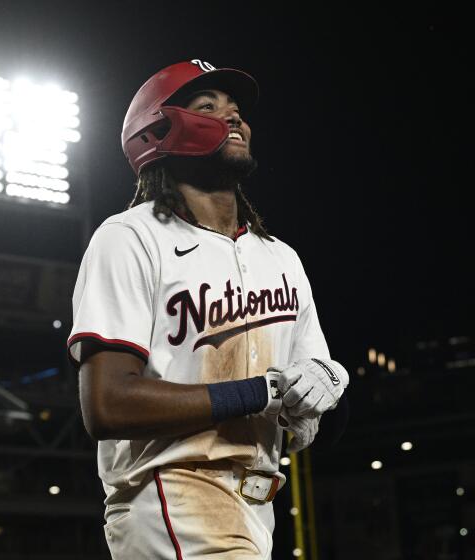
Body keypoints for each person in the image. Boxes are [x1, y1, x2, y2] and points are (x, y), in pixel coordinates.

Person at [67, 59, 350, 559]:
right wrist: (261, 390)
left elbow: (306, 423)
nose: (234, 118)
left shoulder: (280, 258)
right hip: (168, 491)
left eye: (237, 110)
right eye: (209, 107)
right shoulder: (130, 238)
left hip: (257, 506)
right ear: (158, 129)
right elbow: (107, 405)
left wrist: (326, 392)